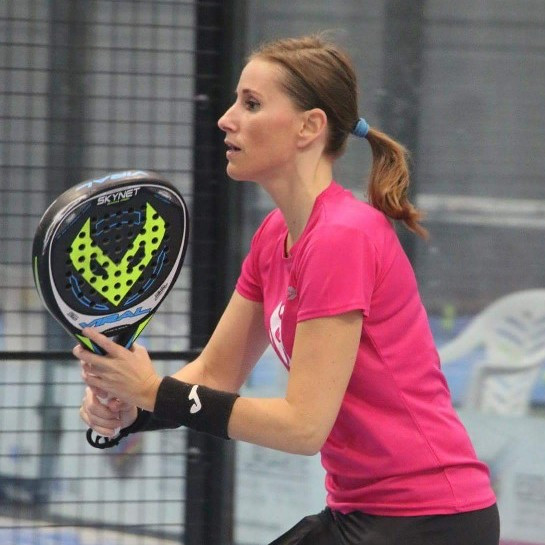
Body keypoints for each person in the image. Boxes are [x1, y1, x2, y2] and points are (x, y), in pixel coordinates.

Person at [76, 34, 500, 545]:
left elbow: (303, 426)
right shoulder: (274, 235)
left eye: (251, 104)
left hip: (431, 519)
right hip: (361, 512)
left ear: (309, 127)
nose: (226, 119)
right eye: (235, 102)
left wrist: (152, 391)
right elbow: (215, 373)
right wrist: (134, 409)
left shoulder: (342, 236)